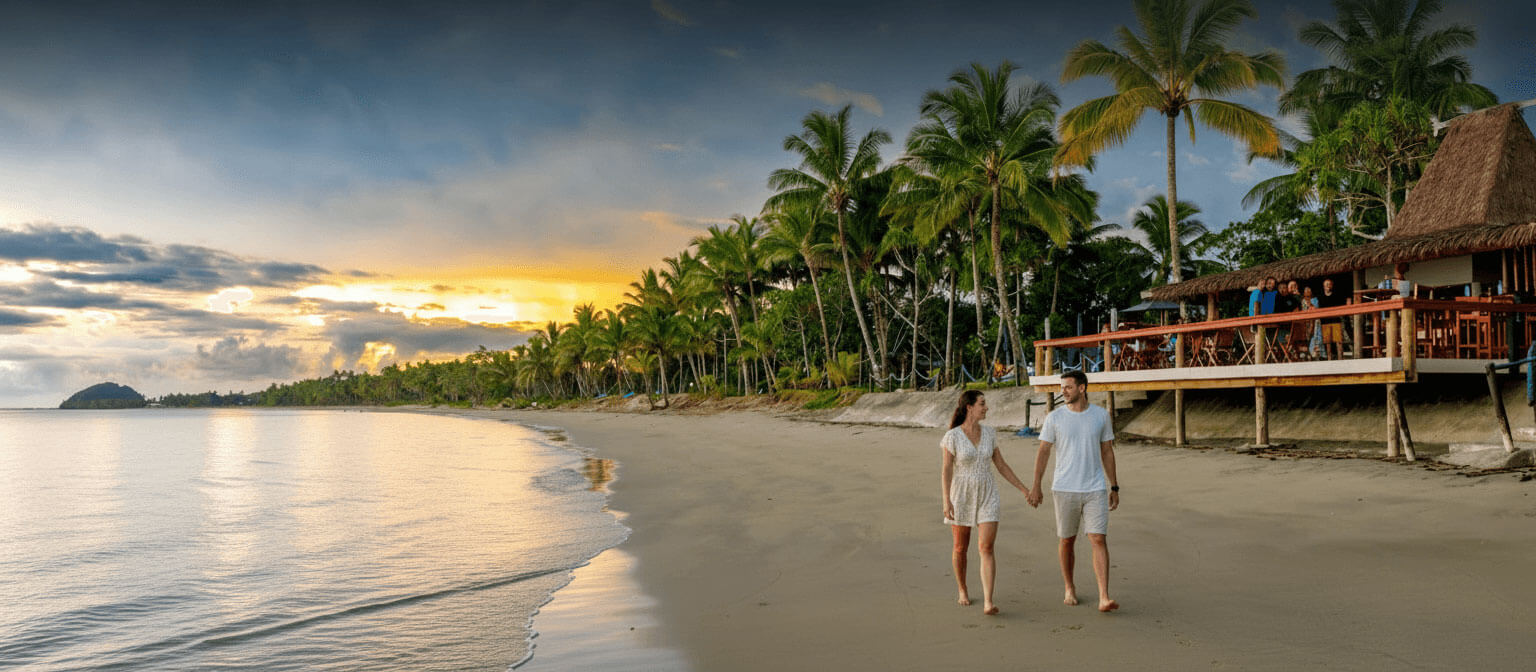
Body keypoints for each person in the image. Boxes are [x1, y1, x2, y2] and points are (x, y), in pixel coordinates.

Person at [1026, 371, 1121, 613]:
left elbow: (1107, 451)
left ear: (1082, 388)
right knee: (1067, 540)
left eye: (1068, 387)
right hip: (1064, 487)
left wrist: (1114, 485)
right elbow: (1044, 452)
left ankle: (1104, 596)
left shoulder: (1100, 416)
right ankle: (1069, 587)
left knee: (1098, 538)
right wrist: (1036, 484)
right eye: (1062, 387)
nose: (1063, 391)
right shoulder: (1055, 418)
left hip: (1095, 488)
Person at [941, 390, 1032, 616]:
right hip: (961, 494)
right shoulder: (952, 436)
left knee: (986, 547)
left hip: (988, 493)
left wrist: (1023, 489)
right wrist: (946, 500)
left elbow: (1001, 466)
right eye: (982, 404)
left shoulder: (990, 434)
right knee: (961, 547)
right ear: (969, 407)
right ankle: (962, 589)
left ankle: (988, 601)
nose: (986, 407)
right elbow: (946, 470)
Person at [1316, 278, 1348, 360]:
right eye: (1326, 284)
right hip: (1325, 321)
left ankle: (1340, 358)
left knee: (1338, 341)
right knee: (1327, 342)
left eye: (1329, 284)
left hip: (1336, 320)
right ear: (1323, 286)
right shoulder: (1320, 297)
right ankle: (1329, 358)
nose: (1328, 286)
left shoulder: (1336, 295)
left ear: (1332, 285)